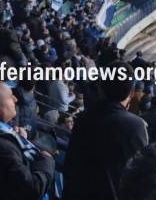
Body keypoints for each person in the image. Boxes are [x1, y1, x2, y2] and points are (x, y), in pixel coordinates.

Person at [63, 61, 148, 200]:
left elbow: (70, 166)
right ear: (132, 92)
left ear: (100, 88)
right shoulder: (136, 126)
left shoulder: (83, 118)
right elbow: (139, 179)